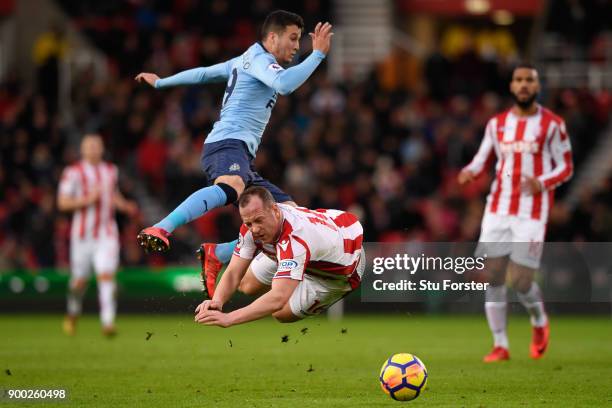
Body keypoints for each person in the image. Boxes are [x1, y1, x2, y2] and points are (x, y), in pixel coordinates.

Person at [134, 10, 333, 273]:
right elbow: (284, 85)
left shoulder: (244, 59)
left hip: (240, 153)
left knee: (287, 216)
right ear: (273, 37)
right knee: (232, 186)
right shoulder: (261, 61)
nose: (297, 47)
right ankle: (161, 227)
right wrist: (317, 55)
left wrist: (162, 83)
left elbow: (204, 74)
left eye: (299, 41)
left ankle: (219, 253)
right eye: (293, 38)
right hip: (227, 143)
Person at [458, 63, 573, 362]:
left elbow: (566, 167)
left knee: (521, 280)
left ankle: (539, 321)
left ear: (537, 87)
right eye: (519, 80)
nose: (523, 85)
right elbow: (481, 159)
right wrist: (469, 172)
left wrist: (542, 182)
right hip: (497, 208)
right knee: (493, 275)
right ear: (511, 86)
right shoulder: (497, 125)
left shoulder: (552, 125)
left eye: (529, 81)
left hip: (531, 213)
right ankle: (500, 345)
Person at [193, 186, 364, 327]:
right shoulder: (253, 227)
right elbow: (233, 272)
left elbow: (278, 299)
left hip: (341, 270)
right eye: (248, 223)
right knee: (246, 284)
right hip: (321, 238)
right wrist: (217, 302)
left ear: (275, 210)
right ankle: (291, 277)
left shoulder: (296, 240)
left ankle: (292, 279)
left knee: (280, 313)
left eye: (259, 221)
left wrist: (229, 318)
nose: (255, 229)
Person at [57, 134, 138, 336]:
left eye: (97, 146)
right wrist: (86, 200)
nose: (93, 149)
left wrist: (125, 205)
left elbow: (113, 195)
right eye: (89, 146)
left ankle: (108, 323)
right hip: (82, 236)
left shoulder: (111, 170)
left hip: (106, 233)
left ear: (102, 149)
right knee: (79, 282)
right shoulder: (73, 172)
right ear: (82, 150)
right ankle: (73, 312)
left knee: (106, 275)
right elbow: (63, 202)